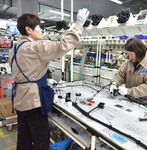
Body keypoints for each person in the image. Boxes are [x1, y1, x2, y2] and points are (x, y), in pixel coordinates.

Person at [9, 8, 89, 150]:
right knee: (41, 141)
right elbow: (63, 46)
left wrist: (43, 80)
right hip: (32, 102)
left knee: (24, 139)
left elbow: (24, 73)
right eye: (39, 27)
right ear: (28, 29)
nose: (41, 30)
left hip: (19, 100)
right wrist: (79, 25)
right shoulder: (35, 47)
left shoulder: (14, 49)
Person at [110, 38, 147, 103]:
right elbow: (121, 75)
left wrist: (129, 91)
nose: (129, 57)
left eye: (131, 54)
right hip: (132, 99)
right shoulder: (129, 63)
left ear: (139, 51)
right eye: (128, 54)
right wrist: (114, 83)